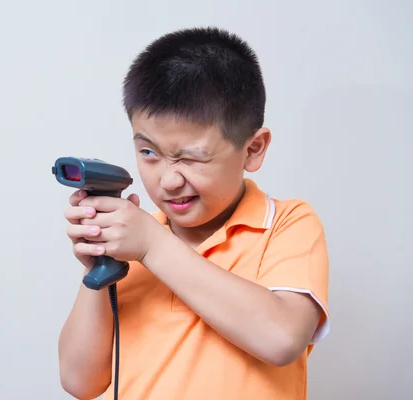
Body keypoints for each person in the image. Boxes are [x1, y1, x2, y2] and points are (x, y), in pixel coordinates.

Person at [57, 26, 330, 400]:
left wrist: (153, 246)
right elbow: (79, 382)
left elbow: (282, 338)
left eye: (192, 157)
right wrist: (98, 271)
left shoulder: (287, 223)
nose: (168, 180)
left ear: (253, 149)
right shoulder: (133, 242)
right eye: (148, 152)